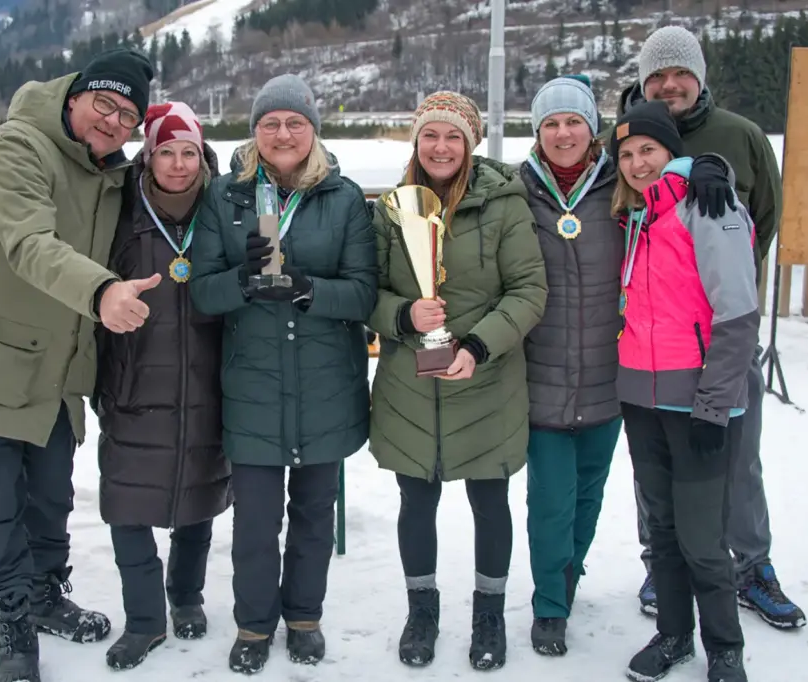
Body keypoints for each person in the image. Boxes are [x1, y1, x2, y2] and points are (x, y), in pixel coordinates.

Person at [0, 48, 155, 682]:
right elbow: (30, 243)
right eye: (104, 104)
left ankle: (46, 593)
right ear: (75, 96)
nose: (112, 121)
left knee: (51, 494)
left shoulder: (110, 172)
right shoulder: (15, 146)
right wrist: (105, 290)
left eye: (127, 114)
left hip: (54, 365)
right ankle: (12, 619)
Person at [613, 25, 805, 630]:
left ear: (699, 77)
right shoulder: (618, 142)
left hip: (719, 335)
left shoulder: (742, 137)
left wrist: (718, 285)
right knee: (657, 473)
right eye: (656, 75)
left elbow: (763, 219)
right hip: (650, 348)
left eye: (680, 73)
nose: (669, 84)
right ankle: (660, 563)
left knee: (736, 460)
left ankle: (752, 566)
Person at [188, 74, 377, 675]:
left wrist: (307, 289)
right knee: (256, 520)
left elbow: (365, 292)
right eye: (270, 122)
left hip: (325, 384)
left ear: (313, 130)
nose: (283, 132)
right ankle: (252, 625)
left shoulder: (343, 197)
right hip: (255, 385)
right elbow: (201, 293)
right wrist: (242, 281)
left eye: (295, 122)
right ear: (255, 133)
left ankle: (304, 618)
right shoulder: (227, 196)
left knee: (315, 516)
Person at [368, 91, 548, 671]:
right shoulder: (392, 208)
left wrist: (478, 344)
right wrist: (400, 315)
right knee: (415, 503)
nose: (440, 147)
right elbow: (362, 288)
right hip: (410, 385)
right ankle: (422, 611)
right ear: (416, 142)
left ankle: (488, 613)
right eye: (429, 135)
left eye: (452, 136)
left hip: (486, 380)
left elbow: (528, 290)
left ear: (469, 142)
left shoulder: (503, 204)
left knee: (490, 500)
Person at [611, 100, 757, 682]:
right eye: (625, 154)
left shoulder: (708, 206)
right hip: (642, 402)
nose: (637, 163)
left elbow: (738, 314)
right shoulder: (637, 218)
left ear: (673, 151)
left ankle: (725, 646)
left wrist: (713, 404)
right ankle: (673, 634)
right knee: (663, 533)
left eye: (648, 150)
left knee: (702, 538)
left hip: (699, 405)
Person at [94, 102, 230, 671]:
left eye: (189, 152)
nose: (178, 164)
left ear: (203, 156)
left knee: (200, 497)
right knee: (127, 505)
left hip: (211, 382)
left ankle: (188, 595)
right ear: (149, 156)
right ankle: (146, 619)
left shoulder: (227, 208)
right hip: (133, 381)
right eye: (166, 151)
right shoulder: (119, 212)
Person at [518, 75, 623, 657]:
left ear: (592, 128)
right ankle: (549, 605)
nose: (563, 133)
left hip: (610, 375)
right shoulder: (516, 189)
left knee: (590, 494)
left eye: (574, 122)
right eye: (551, 123)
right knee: (550, 499)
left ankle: (569, 576)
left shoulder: (622, 188)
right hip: (542, 376)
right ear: (538, 132)